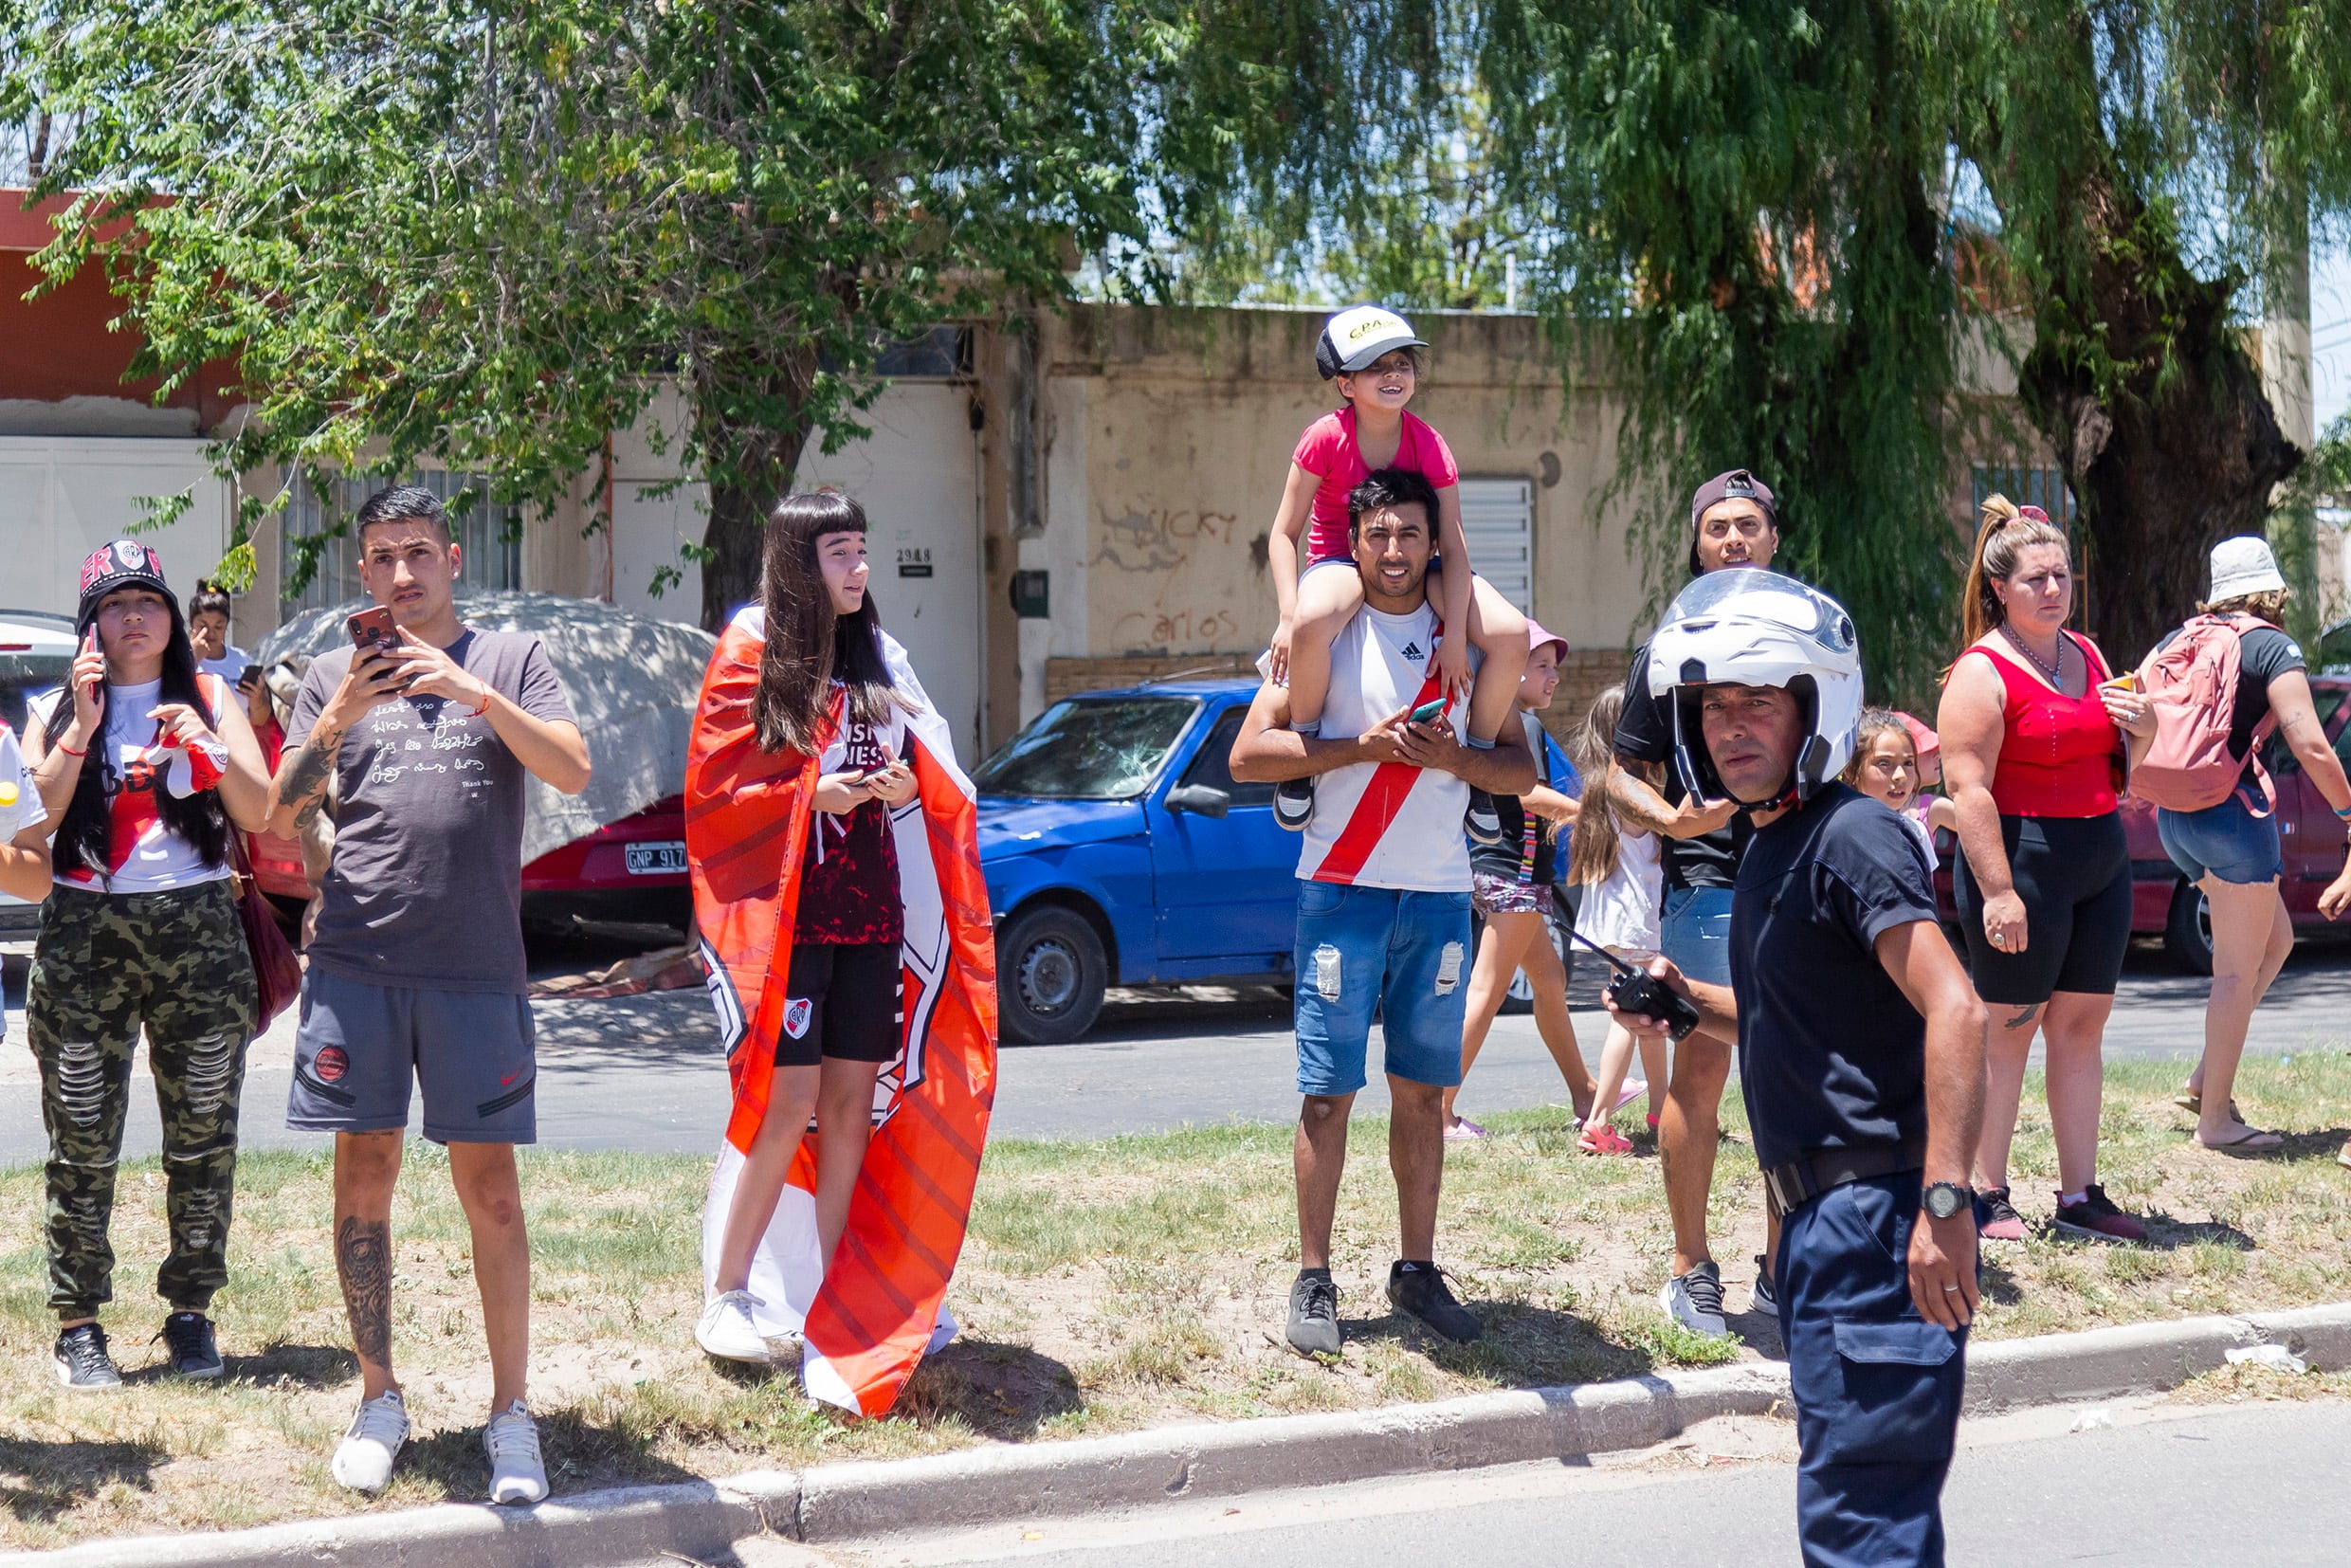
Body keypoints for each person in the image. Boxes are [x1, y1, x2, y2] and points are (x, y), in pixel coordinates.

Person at [1611, 568, 1987, 1568]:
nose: (1731, 726)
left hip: (1873, 1220)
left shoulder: (1850, 834)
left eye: (1758, 703)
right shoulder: (1774, 846)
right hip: (1819, 1230)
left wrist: (1945, 1203)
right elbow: (1791, 1019)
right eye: (1713, 706)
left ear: (1813, 708)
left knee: (1861, 1530)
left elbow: (1955, 1007)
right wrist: (1685, 1003)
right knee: (1860, 1519)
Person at [268, 484, 592, 1503]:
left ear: (453, 555)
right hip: (358, 965)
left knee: (490, 1190)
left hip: (475, 966)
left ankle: (511, 1416)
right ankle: (378, 1398)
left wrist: (471, 694)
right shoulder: (333, 672)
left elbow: (574, 769)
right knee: (361, 1183)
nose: (401, 573)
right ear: (360, 573)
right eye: (380, 559)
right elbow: (281, 813)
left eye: (418, 552)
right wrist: (336, 715)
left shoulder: (508, 660)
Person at [684, 491, 998, 1417]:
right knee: (782, 1106)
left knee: (852, 1115)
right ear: (794, 564)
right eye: (838, 554)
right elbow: (712, 792)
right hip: (791, 924)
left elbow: (940, 769)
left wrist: (907, 783)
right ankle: (728, 1291)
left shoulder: (879, 657)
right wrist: (810, 795)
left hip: (872, 917)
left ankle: (843, 1296)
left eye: (862, 551)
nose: (857, 570)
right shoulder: (752, 651)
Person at [1231, 466, 1538, 1357]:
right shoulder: (1326, 629)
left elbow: (1521, 768)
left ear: (1431, 542)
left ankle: (1416, 1270)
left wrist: (1460, 761)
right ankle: (1314, 1278)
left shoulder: (1466, 645)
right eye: (1379, 536)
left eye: (1410, 534)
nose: (1395, 551)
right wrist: (1361, 748)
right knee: (1327, 1097)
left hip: (1440, 899)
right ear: (1354, 544)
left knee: (1423, 1094)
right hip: (1339, 892)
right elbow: (1250, 754)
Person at [20, 540, 271, 1390]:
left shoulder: (208, 693)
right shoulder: (53, 708)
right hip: (85, 936)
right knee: (81, 1141)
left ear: (172, 617)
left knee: (204, 1135)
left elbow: (261, 809)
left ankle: (191, 1313)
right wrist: (83, 734)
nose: (137, 618)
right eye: (116, 605)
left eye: (150, 602)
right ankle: (79, 1323)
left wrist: (212, 744)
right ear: (91, 623)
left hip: (197, 930)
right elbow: (28, 830)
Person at [1936, 497, 2155, 1245]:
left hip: (2099, 855)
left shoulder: (2088, 655)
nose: (2053, 589)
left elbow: (2127, 769)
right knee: (2009, 1029)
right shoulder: (1980, 670)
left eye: (2061, 575)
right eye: (2035, 579)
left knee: (2081, 1026)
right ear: (2000, 587)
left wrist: (2145, 730)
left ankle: (2079, 1194)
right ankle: (1984, 1192)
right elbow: (1966, 792)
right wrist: (1997, 891)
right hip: (2020, 859)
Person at [1611, 467, 1776, 1335]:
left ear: (1774, 539)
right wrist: (1672, 819)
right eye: (1718, 528)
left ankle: (1784, 1270)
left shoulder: (1805, 635)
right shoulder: (1669, 647)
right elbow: (1616, 774)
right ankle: (1690, 1267)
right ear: (1698, 543)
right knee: (1702, 1075)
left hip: (1798, 875)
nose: (1734, 540)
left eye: (1748, 525)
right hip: (1709, 885)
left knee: (1790, 1076)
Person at [1265, 305, 1529, 839]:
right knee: (1313, 620)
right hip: (1341, 561)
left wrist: (1455, 637)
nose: (1393, 374)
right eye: (1375, 366)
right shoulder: (1322, 438)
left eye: (1403, 363)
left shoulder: (1430, 445)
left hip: (1421, 563)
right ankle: (1305, 759)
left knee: (1511, 633)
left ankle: (1478, 768)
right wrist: (1286, 616)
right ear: (1344, 384)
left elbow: (1453, 547)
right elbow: (1282, 534)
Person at [2143, 538, 2351, 1152]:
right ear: (2273, 591)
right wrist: (2348, 808)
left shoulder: (2178, 639)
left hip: (2174, 820)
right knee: (2235, 972)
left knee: (2277, 941)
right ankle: (2216, 1123)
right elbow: (2310, 742)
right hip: (2232, 821)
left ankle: (2207, 1078)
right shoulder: (2270, 645)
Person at [1443, 620, 1598, 1140]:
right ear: (1508, 671)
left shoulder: (1502, 720)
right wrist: (1588, 811)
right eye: (1541, 667)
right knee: (1485, 990)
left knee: (1549, 980)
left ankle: (1586, 1092)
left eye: (1555, 668)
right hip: (1513, 877)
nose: (1553, 678)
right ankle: (1439, 1111)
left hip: (1503, 874)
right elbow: (1526, 793)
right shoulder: (1520, 724)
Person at [1567, 684, 1668, 1157]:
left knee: (1646, 1016)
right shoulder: (1633, 793)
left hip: (1616, 922)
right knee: (1629, 1021)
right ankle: (1600, 1121)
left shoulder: (1596, 790)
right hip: (1637, 922)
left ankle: (1661, 1109)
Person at [1846, 709, 1957, 863]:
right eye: (1884, 763)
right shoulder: (1841, 834)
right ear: (1851, 769)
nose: (1901, 775)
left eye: (1908, 763)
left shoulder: (1917, 832)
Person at [186, 581, 251, 688]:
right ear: (192, 624)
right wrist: (192, 658)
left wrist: (259, 699)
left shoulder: (242, 659)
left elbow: (262, 705)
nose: (211, 634)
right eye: (203, 626)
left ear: (226, 626)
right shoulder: (176, 660)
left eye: (218, 627)